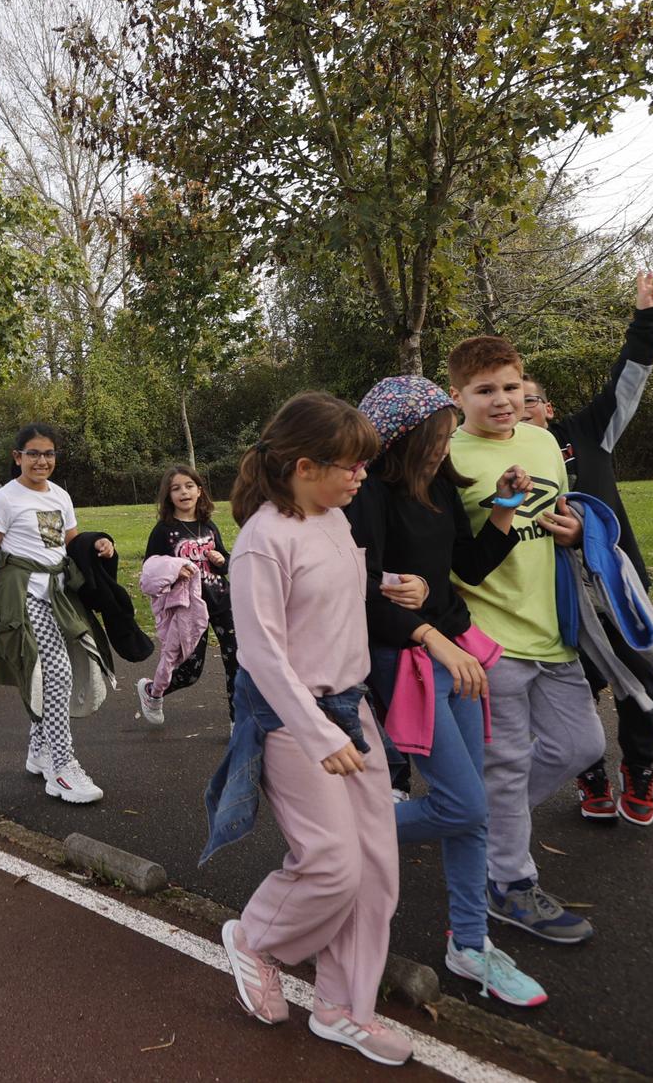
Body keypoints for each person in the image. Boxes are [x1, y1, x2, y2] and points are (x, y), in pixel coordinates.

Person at [206, 392, 410, 1065]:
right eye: (349, 465)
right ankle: (257, 939)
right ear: (303, 465)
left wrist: (384, 585)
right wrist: (322, 737)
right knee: (332, 865)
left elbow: (324, 593)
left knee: (377, 870)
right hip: (296, 722)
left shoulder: (333, 518)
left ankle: (343, 1007)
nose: (361, 477)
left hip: (352, 710)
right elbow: (262, 653)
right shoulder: (263, 540)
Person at [347, 376, 548, 1007]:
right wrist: (426, 629)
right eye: (435, 437)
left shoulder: (437, 485)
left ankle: (470, 943)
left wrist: (506, 509)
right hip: (409, 657)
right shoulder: (370, 495)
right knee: (464, 806)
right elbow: (359, 593)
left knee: (474, 808)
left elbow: (469, 567)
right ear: (403, 439)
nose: (444, 448)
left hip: (456, 651)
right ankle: (340, 836)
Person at [445, 335, 602, 945]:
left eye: (511, 387)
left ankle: (481, 826)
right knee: (505, 764)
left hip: (554, 629)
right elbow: (453, 559)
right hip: (491, 637)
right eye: (485, 391)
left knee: (579, 745)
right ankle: (508, 884)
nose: (502, 400)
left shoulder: (541, 442)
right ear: (459, 397)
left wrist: (573, 529)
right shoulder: (449, 457)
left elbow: (559, 513)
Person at [522, 271, 653, 826]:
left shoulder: (590, 432)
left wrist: (647, 316)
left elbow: (630, 375)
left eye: (532, 399)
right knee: (572, 690)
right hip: (548, 598)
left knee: (640, 679)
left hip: (613, 585)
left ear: (549, 407)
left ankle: (640, 770)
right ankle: (590, 777)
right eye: (515, 401)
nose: (523, 408)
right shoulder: (498, 462)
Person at [0, 424, 115, 805]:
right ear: (17, 457)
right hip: (23, 595)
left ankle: (39, 749)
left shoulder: (61, 496)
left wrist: (97, 542)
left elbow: (70, 543)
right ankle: (62, 768)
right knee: (57, 671)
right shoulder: (5, 499)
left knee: (64, 668)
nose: (41, 461)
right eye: (33, 453)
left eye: (48, 453)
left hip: (60, 594)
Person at [136, 465, 242, 725]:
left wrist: (221, 560)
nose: (183, 492)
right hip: (189, 609)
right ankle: (152, 691)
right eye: (176, 488)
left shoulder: (208, 525)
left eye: (189, 486)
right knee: (190, 672)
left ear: (199, 491)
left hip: (221, 601)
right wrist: (174, 573)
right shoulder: (164, 531)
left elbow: (227, 562)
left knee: (237, 663)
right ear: (168, 496)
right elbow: (150, 570)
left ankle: (237, 722)